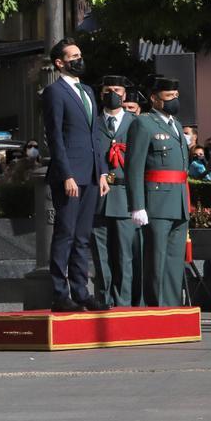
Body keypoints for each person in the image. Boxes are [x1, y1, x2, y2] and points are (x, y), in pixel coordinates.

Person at [40, 38, 110, 312]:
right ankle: (60, 293)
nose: (79, 59)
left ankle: (81, 292)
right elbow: (54, 136)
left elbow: (95, 135)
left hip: (91, 175)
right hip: (70, 175)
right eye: (74, 56)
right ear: (60, 63)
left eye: (80, 55)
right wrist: (66, 173)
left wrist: (102, 172)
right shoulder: (54, 92)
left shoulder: (88, 91)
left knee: (83, 236)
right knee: (65, 234)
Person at [125, 77, 190, 307]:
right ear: (154, 98)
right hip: (157, 201)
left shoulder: (176, 125)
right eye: (169, 97)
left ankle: (172, 306)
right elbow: (134, 166)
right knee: (157, 259)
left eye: (176, 96)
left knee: (173, 261)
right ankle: (157, 307)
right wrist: (137, 205)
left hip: (178, 200)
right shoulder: (144, 124)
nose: (174, 101)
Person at [92, 75, 139, 308]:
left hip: (124, 197)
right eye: (108, 90)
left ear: (125, 95)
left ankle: (123, 302)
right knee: (101, 255)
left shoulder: (136, 122)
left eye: (117, 90)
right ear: (101, 94)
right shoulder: (92, 121)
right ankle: (104, 300)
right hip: (97, 197)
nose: (113, 94)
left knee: (124, 255)